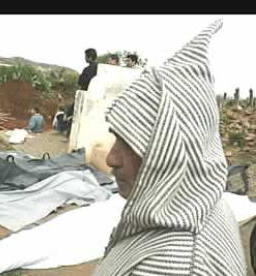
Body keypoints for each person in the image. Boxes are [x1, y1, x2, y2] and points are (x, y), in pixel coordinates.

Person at [91, 20, 246, 276]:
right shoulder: (202, 202)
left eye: (131, 144)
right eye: (117, 138)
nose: (111, 159)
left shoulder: (176, 267)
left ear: (175, 154)